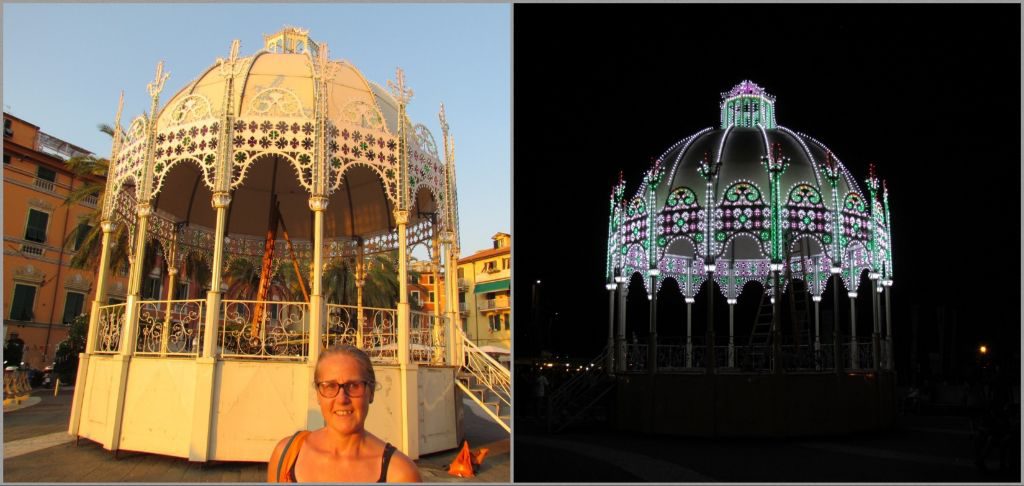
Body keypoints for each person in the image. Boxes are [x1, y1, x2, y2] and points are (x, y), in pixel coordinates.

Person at [267, 344, 421, 483]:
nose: (342, 398)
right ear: (318, 394)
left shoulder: (400, 473)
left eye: (353, 386)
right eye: (330, 386)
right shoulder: (287, 455)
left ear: (371, 392)